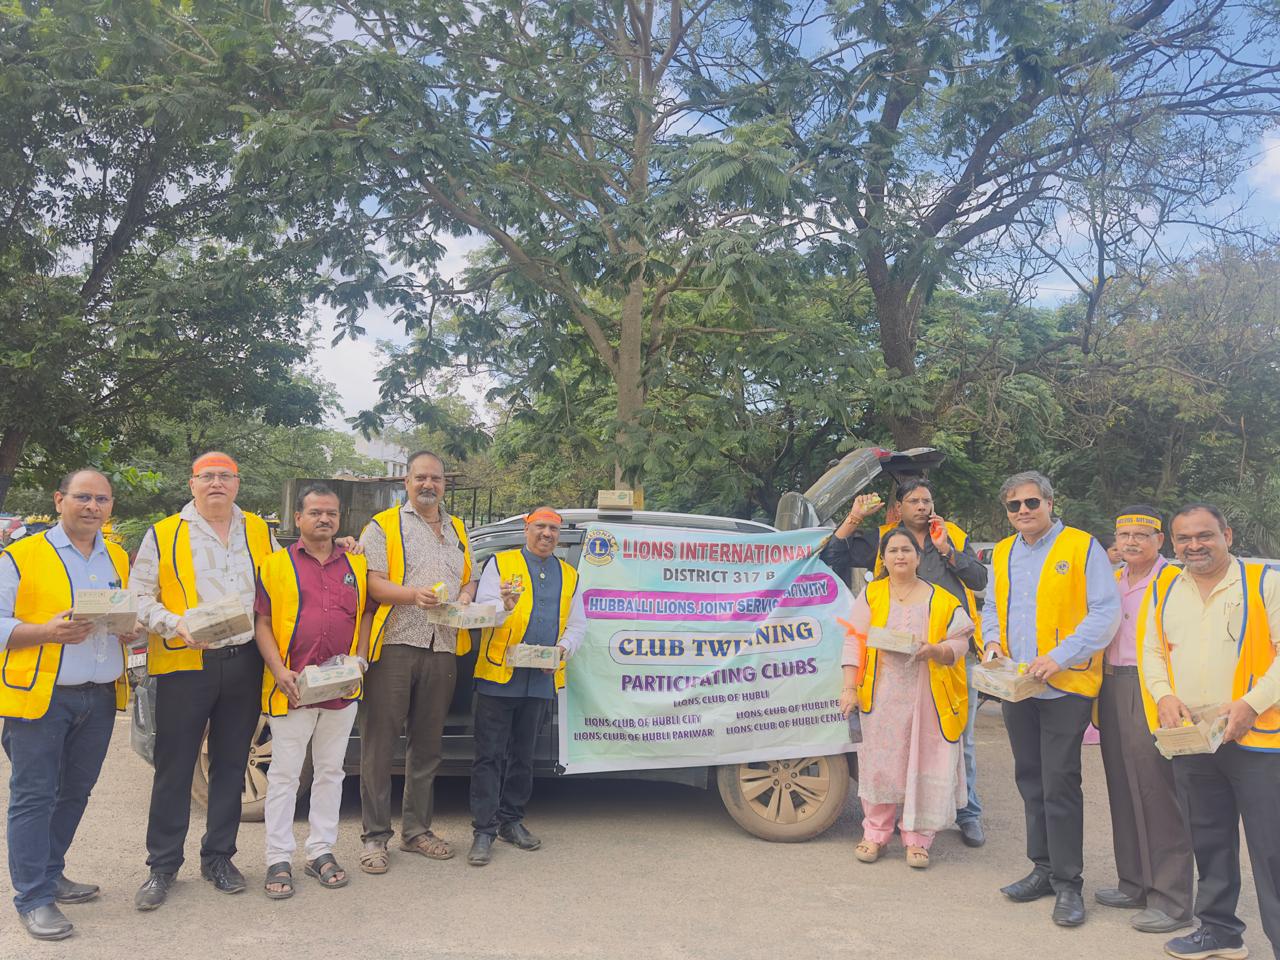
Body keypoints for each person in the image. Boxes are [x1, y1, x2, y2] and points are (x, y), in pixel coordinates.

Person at [132, 452, 280, 910]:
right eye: (207, 476)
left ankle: (219, 857)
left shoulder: (258, 530)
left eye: (225, 476)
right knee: (174, 767)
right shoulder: (164, 533)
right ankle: (162, 866)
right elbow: (138, 595)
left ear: (237, 483)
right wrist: (174, 624)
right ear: (192, 483)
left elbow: (280, 584)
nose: (216, 483)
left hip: (243, 660)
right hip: (184, 661)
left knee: (231, 764)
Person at [980, 470, 1120, 927]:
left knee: (1059, 782)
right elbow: (992, 607)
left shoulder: (1082, 547)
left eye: (1031, 503)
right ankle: (1041, 867)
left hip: (1065, 685)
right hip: (1017, 686)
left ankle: (1068, 883)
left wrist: (1058, 657)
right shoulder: (1002, 552)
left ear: (1050, 503)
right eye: (1014, 505)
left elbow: (1105, 612)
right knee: (1030, 778)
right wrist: (993, 643)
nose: (1023, 511)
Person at [1141, 503, 1280, 960]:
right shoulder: (1166, 585)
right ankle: (1220, 931)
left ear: (1228, 534)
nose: (1194, 546)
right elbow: (1153, 651)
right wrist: (1163, 695)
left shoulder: (1265, 581)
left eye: (1205, 536)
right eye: (1184, 539)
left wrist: (1250, 705)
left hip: (1260, 740)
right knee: (1210, 838)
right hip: (1194, 738)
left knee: (1272, 848)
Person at [0, 470, 132, 940]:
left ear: (110, 506)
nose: (92, 506)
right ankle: (33, 897)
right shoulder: (21, 556)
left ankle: (51, 872)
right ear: (60, 501)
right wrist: (45, 632)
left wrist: (127, 628)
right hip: (40, 696)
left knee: (74, 792)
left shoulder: (116, 556)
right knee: (34, 796)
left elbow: (120, 611)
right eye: (82, 497)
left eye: (101, 499)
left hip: (98, 696)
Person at [357, 449, 477, 874]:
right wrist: (413, 595)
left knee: (427, 746)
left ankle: (416, 831)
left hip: (442, 646)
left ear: (445, 485)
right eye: (421, 478)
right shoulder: (383, 525)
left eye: (437, 479)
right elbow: (371, 582)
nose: (429, 485)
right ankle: (374, 837)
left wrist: (465, 597)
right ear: (406, 482)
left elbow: (469, 579)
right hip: (394, 643)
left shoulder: (459, 529)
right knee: (380, 745)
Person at [254, 483, 373, 898]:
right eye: (316, 512)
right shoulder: (274, 565)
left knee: (331, 771)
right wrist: (278, 670)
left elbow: (367, 614)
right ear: (299, 519)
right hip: (294, 688)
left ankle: (320, 851)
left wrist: (360, 658)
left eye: (332, 513)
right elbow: (263, 623)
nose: (325, 519)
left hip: (341, 689)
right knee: (285, 775)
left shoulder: (356, 563)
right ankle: (278, 857)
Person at [839, 527, 973, 869]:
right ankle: (875, 835)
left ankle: (917, 839)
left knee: (923, 764)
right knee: (881, 766)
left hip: (927, 696)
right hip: (881, 695)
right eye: (893, 550)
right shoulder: (872, 594)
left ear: (918, 557)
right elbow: (854, 641)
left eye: (907, 550)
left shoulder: (940, 598)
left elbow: (961, 642)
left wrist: (936, 650)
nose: (900, 556)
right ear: (883, 558)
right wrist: (849, 687)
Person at [869, 479, 990, 847]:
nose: (922, 506)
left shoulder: (950, 534)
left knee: (958, 736)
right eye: (914, 501)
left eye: (927, 500)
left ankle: (968, 813)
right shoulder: (886, 538)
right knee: (899, 738)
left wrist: (947, 550)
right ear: (900, 508)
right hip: (896, 656)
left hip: (950, 652)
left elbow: (980, 578)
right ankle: (901, 815)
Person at [466, 507, 585, 866]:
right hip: (498, 676)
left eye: (552, 529)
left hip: (541, 679)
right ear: (526, 528)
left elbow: (578, 625)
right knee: (489, 756)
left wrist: (562, 651)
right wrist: (503, 604)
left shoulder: (569, 574)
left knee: (524, 756)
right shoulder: (501, 564)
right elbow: (481, 612)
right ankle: (483, 831)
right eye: (540, 527)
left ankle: (511, 821)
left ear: (558, 535)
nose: (546, 534)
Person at [1095, 506, 1192, 935]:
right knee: (1120, 783)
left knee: (1157, 790)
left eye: (1141, 534)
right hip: (1111, 683)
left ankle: (1171, 900)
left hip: (1152, 687)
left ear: (1159, 541)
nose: (1131, 541)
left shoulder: (1173, 581)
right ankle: (1133, 881)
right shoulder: (1114, 580)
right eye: (1124, 533)